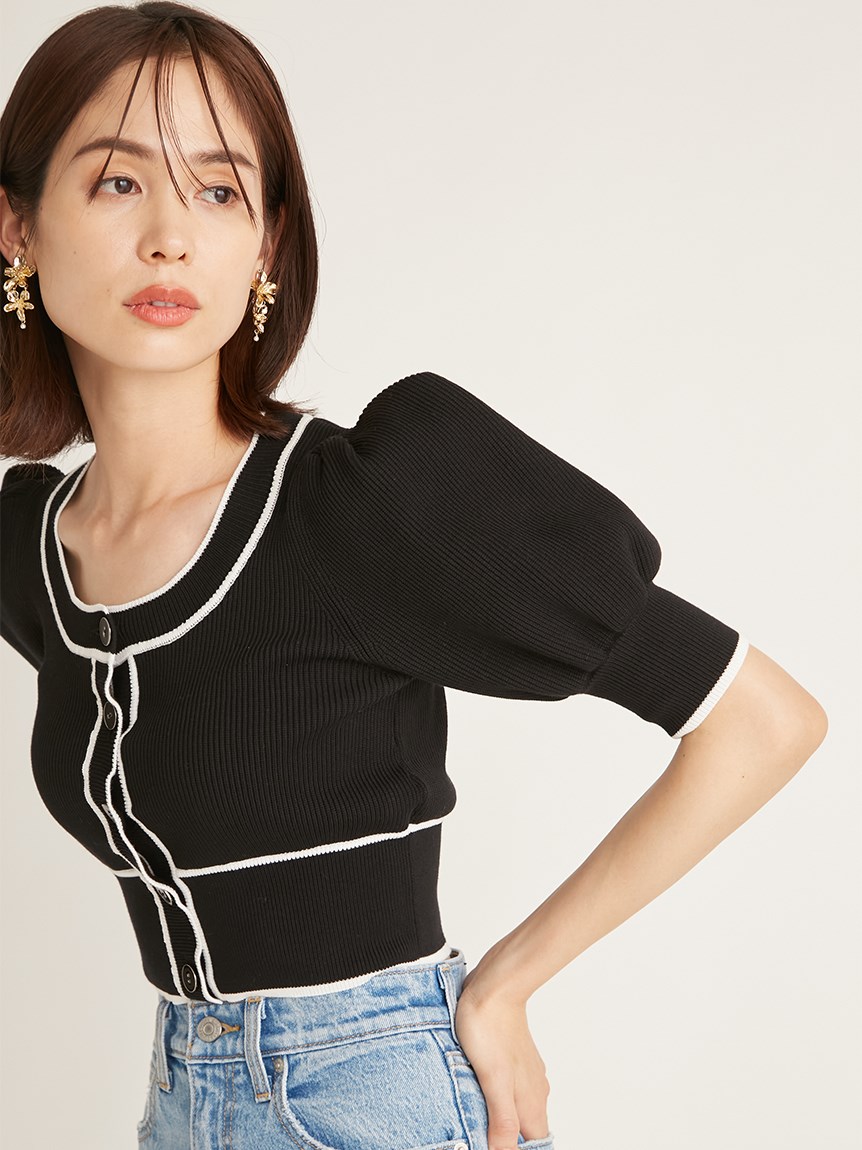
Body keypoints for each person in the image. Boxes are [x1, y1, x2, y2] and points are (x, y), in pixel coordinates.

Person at [0, 3, 828, 1148]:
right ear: (17, 228)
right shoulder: (37, 547)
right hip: (179, 1098)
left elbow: (763, 721)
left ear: (267, 245)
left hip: (376, 1094)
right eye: (117, 181)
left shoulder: (360, 506)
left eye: (220, 190)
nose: (170, 237)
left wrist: (504, 986)